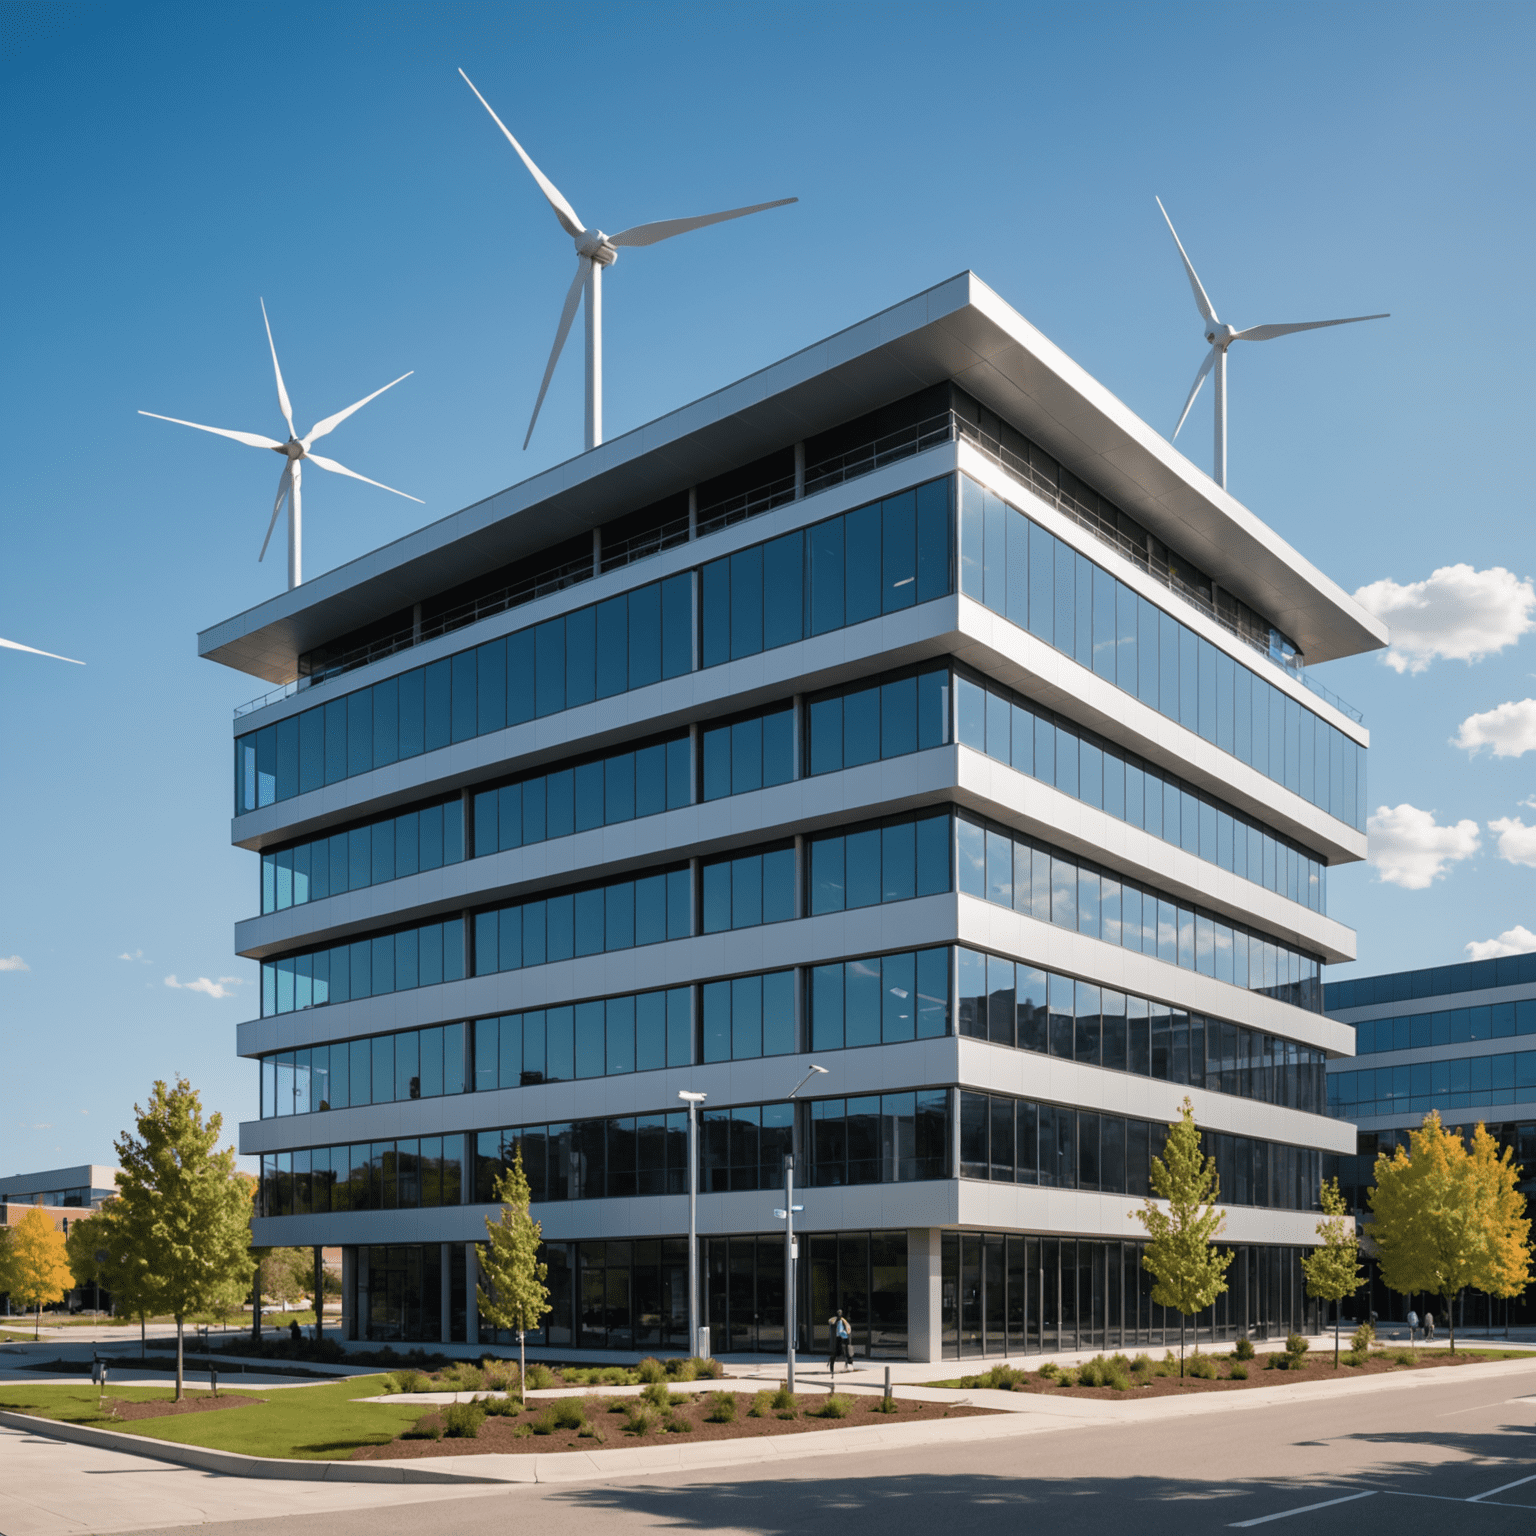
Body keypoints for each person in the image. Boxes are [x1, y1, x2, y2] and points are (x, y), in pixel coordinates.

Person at [827, 1309, 853, 1374]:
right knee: (838, 1352)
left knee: (845, 1351)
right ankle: (833, 1366)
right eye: (838, 1313)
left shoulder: (842, 1321)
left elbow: (846, 1328)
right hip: (839, 1338)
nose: (839, 1314)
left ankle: (848, 1364)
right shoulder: (835, 1321)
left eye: (840, 1313)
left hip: (842, 1338)